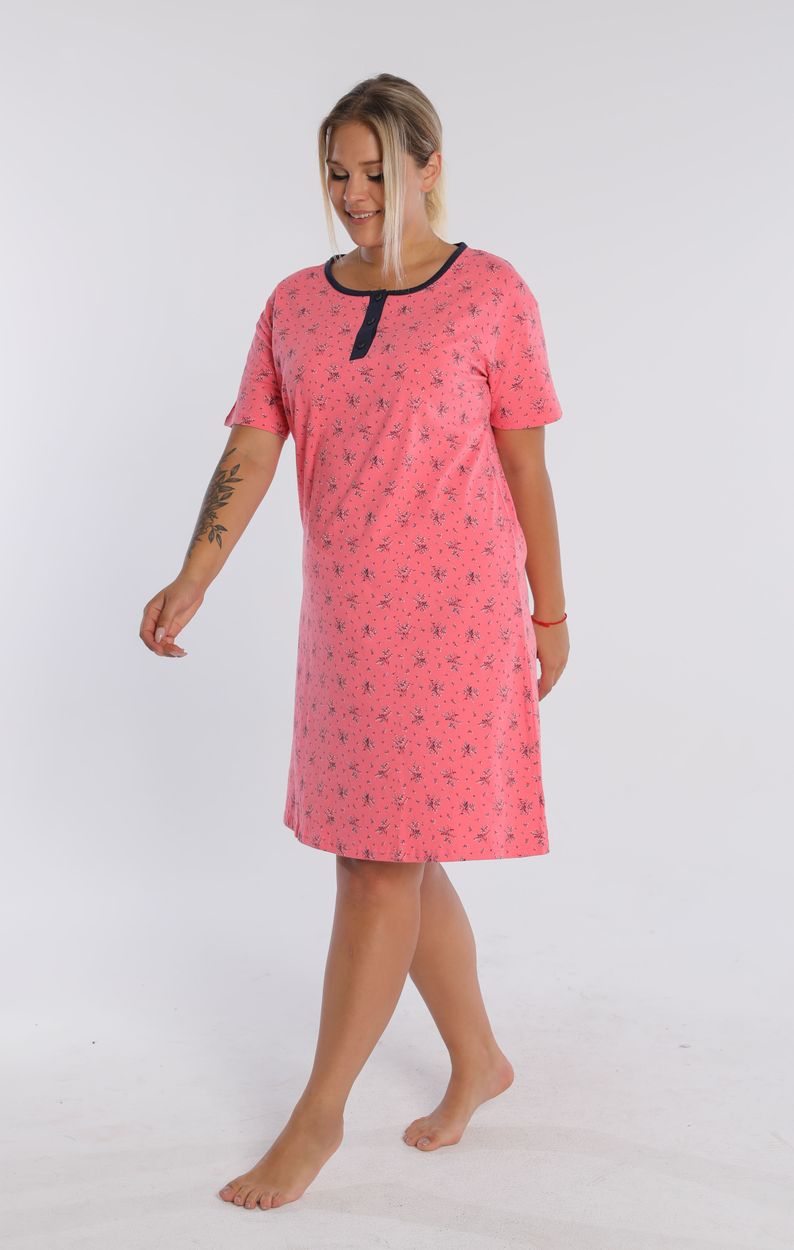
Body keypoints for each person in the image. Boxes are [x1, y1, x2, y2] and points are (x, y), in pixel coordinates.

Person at [139, 72, 569, 1212]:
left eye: (376, 170)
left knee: (377, 862)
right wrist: (195, 573)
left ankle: (317, 1115)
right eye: (337, 172)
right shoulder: (294, 303)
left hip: (459, 617)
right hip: (346, 625)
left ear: (429, 166)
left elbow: (526, 465)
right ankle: (480, 1058)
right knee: (395, 849)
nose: (354, 192)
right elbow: (252, 442)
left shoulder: (492, 292)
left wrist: (551, 610)